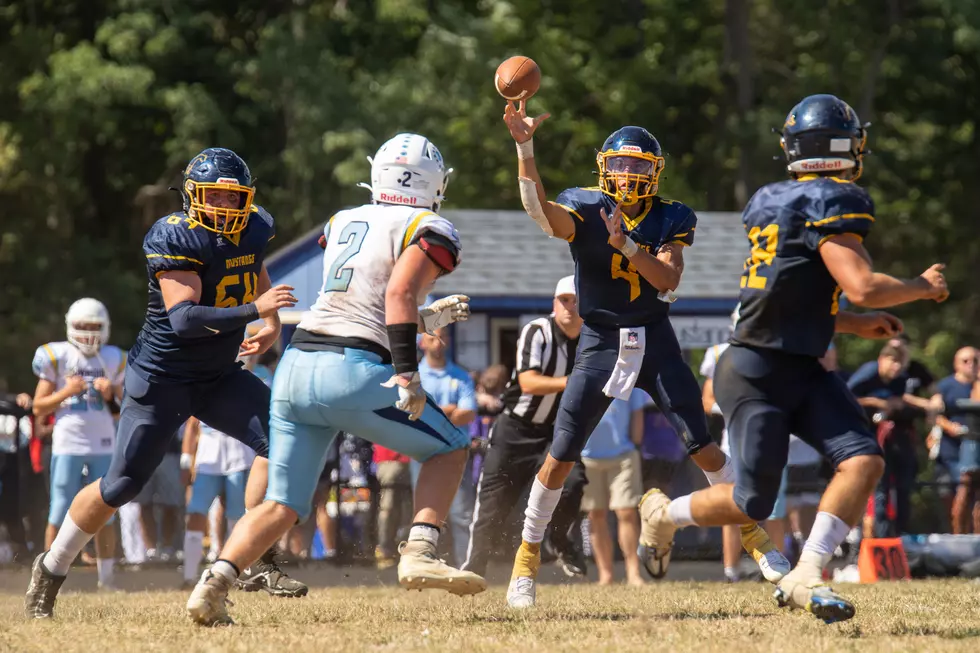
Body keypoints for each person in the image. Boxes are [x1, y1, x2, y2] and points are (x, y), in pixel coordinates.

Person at [637, 94, 948, 624]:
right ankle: (664, 513)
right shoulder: (834, 203)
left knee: (863, 460)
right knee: (752, 502)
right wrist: (921, 286)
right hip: (759, 371)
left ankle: (808, 571)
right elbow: (863, 285)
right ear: (849, 147)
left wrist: (847, 324)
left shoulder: (775, 202)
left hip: (794, 362)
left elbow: (788, 295)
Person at [185, 133, 483, 626]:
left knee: (283, 502)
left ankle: (213, 582)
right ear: (435, 182)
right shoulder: (430, 225)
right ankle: (420, 550)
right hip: (354, 370)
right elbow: (397, 294)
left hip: (297, 367)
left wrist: (424, 320)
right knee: (449, 449)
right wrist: (408, 372)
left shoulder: (344, 219)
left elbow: (360, 299)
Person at [501, 102, 787, 608]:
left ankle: (753, 536)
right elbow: (538, 212)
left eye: (638, 165)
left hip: (654, 337)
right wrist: (525, 148)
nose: (628, 174)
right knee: (563, 451)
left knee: (704, 447)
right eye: (621, 163)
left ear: (654, 171)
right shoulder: (585, 206)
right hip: (601, 339)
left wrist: (628, 246)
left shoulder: (671, 216)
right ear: (604, 166)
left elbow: (668, 280)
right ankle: (525, 561)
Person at [25, 148, 304, 620]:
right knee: (120, 486)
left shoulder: (254, 225)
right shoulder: (175, 235)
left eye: (232, 197)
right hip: (163, 378)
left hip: (218, 375)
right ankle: (50, 569)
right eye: (212, 194)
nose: (222, 204)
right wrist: (256, 311)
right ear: (193, 196)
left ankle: (259, 556)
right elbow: (186, 319)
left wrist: (271, 320)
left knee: (286, 443)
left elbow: (253, 270)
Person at [462, 276, 588, 579]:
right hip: (515, 429)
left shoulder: (593, 338)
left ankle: (558, 540)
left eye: (577, 300)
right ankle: (475, 566)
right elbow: (528, 382)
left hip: (554, 431)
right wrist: (572, 382)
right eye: (564, 300)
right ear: (554, 304)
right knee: (494, 503)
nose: (570, 307)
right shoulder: (537, 331)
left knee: (572, 485)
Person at [30, 299, 125, 590]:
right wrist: (67, 391)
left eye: (94, 327)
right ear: (71, 326)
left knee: (105, 512)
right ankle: (49, 577)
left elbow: (121, 411)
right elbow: (38, 407)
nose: (88, 333)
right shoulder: (57, 355)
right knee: (59, 510)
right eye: (82, 326)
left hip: (103, 443)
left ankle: (106, 581)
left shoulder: (112, 358)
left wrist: (109, 396)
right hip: (68, 443)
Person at [413, 328, 478, 567]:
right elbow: (412, 414)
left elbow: (468, 413)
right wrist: (450, 409)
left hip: (455, 453)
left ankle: (466, 566)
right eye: (431, 337)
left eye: (442, 337)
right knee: (424, 514)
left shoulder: (461, 376)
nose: (438, 342)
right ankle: (424, 566)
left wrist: (432, 411)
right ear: (422, 343)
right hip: (421, 453)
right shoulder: (414, 375)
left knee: (462, 515)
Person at [847, 343, 919, 536]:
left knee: (901, 486)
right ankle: (874, 534)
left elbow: (902, 400)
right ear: (881, 360)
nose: (896, 367)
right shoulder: (869, 373)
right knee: (877, 489)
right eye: (893, 362)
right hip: (863, 436)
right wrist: (876, 402)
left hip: (890, 437)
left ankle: (899, 533)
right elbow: (846, 397)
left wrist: (896, 404)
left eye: (900, 363)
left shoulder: (900, 380)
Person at [581, 389, 648, 586]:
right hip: (587, 457)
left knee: (626, 512)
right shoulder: (582, 373)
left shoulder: (628, 375)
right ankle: (605, 574)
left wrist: (635, 445)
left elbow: (637, 413)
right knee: (595, 514)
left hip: (623, 455)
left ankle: (633, 572)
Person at [181, 416, 255, 587]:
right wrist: (185, 463)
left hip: (239, 455)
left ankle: (239, 575)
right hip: (208, 458)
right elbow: (192, 424)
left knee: (237, 518)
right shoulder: (201, 388)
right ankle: (189, 576)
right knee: (195, 513)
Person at [933, 347, 980, 533]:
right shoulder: (946, 385)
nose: (971, 365)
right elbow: (935, 414)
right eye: (966, 361)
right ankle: (957, 536)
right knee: (960, 491)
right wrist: (950, 427)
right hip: (953, 449)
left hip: (972, 443)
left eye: (975, 361)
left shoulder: (975, 384)